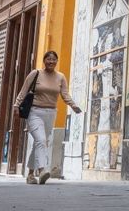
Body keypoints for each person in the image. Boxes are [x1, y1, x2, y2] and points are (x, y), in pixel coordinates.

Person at [13, 50, 81, 185]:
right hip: (35, 112)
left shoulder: (60, 77)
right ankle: (42, 170)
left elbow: (65, 94)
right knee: (41, 140)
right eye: (48, 59)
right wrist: (16, 105)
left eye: (54, 59)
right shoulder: (35, 74)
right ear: (44, 61)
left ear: (57, 61)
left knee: (40, 143)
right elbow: (24, 90)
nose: (51, 62)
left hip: (51, 113)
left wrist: (73, 106)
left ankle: (30, 175)